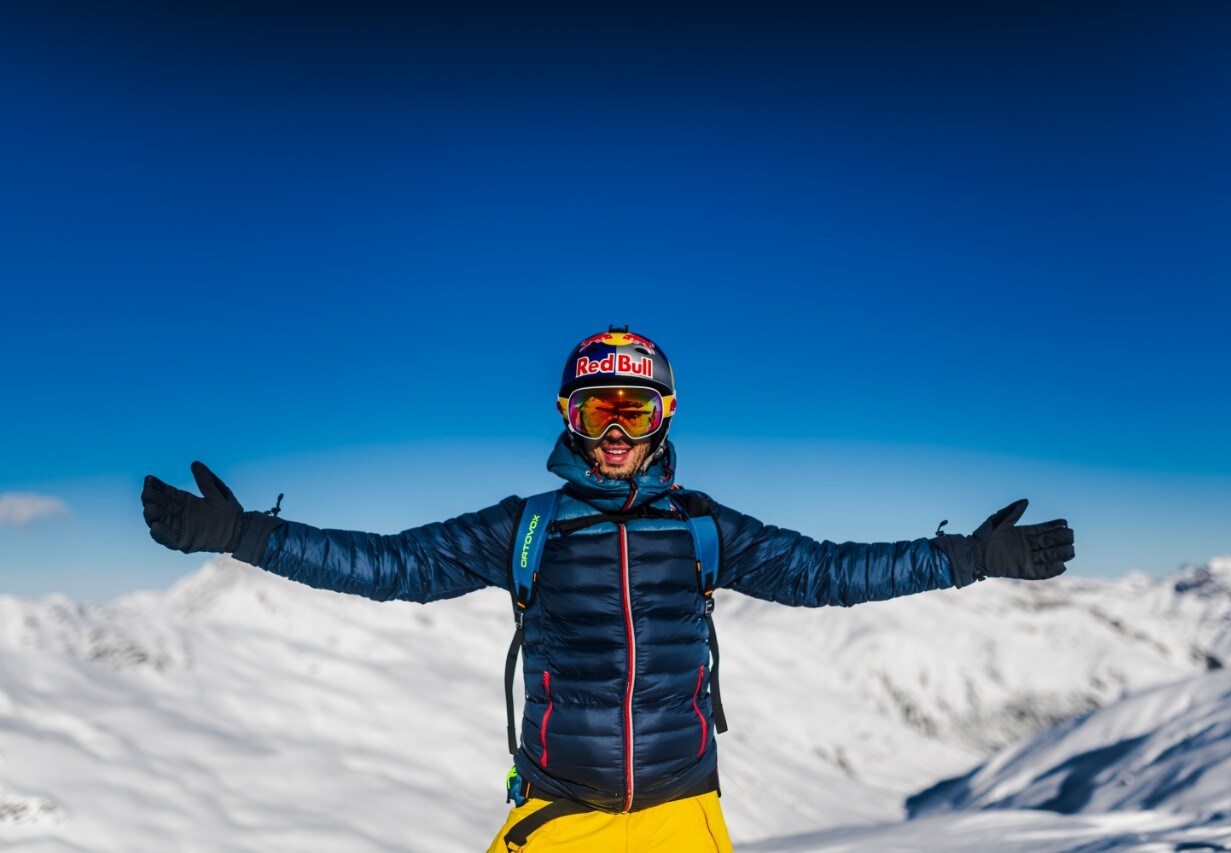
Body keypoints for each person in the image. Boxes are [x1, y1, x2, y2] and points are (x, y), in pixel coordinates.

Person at [141, 327, 1075, 852]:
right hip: (561, 812)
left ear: (664, 418)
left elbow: (829, 572)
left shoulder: (704, 527)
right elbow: (392, 565)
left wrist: (970, 557)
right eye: (598, 411)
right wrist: (244, 535)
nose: (616, 432)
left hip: (683, 811)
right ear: (571, 418)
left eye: (634, 410)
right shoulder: (527, 527)